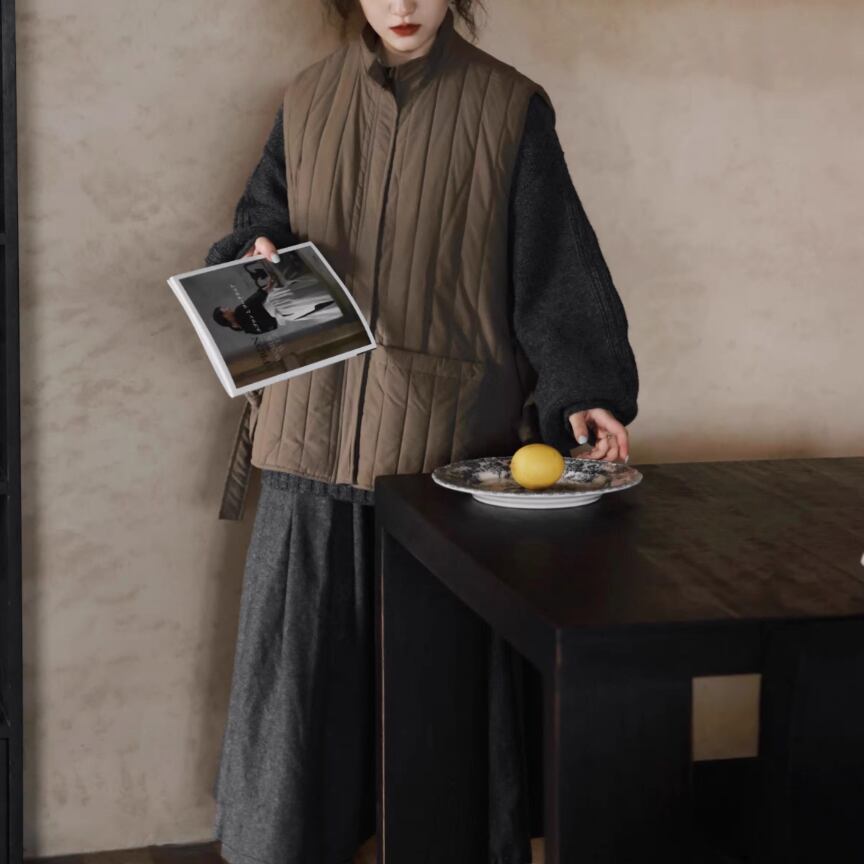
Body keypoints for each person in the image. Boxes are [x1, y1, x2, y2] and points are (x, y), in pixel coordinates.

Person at [205, 2, 639, 864]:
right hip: (305, 437)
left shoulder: (511, 106)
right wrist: (253, 251)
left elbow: (553, 264)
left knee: (436, 701)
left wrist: (586, 388)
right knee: (301, 697)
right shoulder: (306, 97)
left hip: (442, 452)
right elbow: (258, 222)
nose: (402, 4)